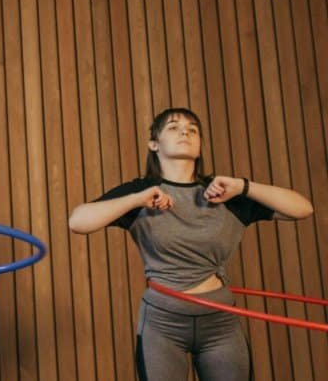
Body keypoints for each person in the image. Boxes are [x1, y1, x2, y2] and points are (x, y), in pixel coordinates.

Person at [68, 107, 313, 380]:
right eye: (173, 127)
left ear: (200, 146)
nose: (185, 131)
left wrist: (244, 186)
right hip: (162, 322)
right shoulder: (141, 192)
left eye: (192, 129)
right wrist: (136, 199)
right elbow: (78, 221)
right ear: (154, 144)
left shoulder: (225, 192)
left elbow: (303, 209)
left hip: (219, 320)